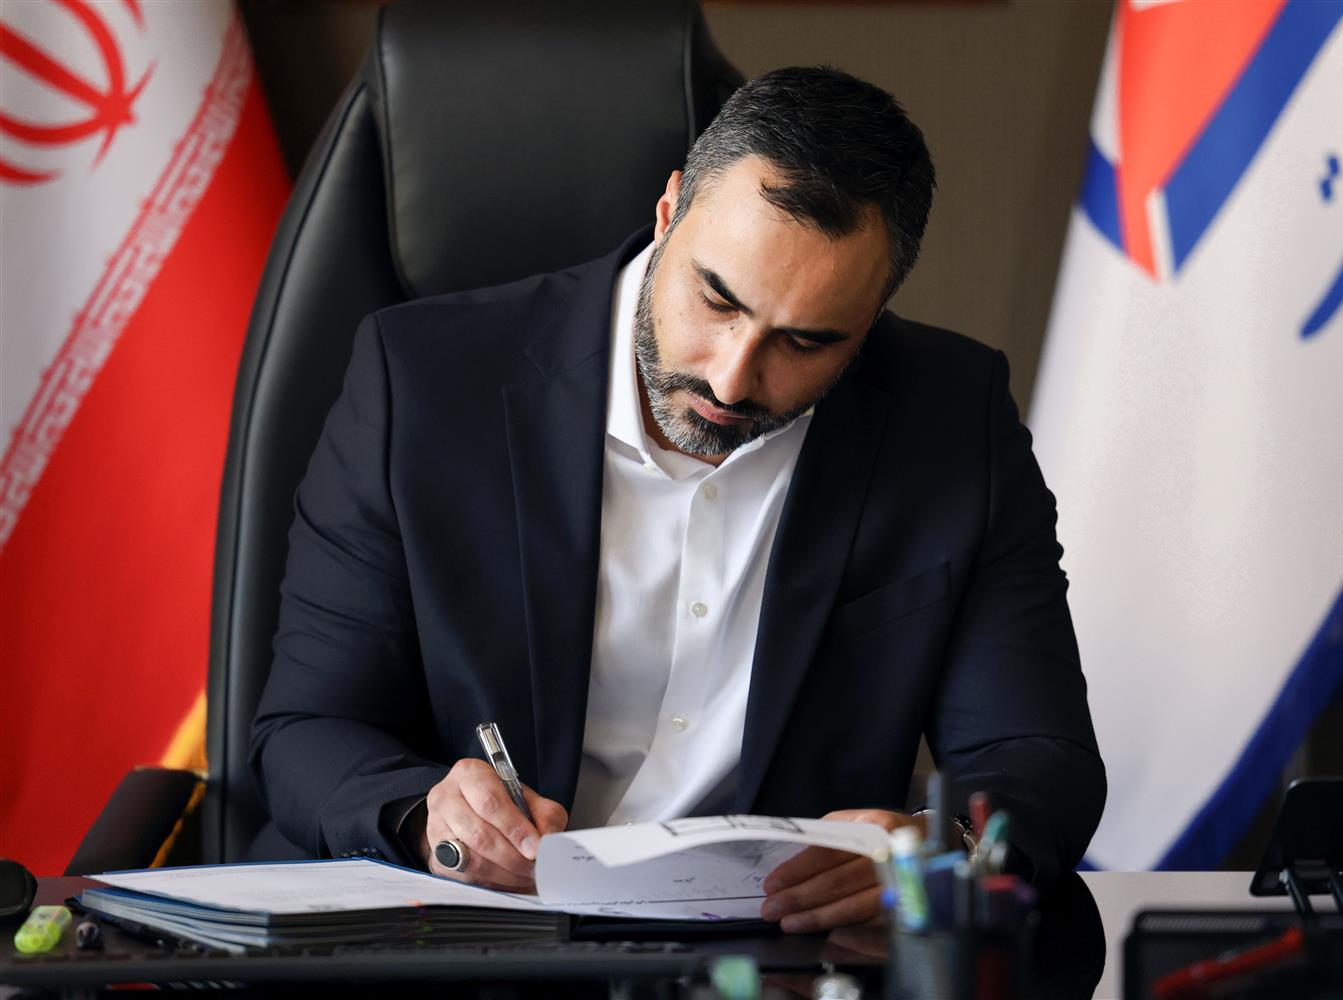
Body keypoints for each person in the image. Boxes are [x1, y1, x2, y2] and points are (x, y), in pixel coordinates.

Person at [250, 66, 1104, 935]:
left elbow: (1042, 759)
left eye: (806, 341)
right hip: (475, 938)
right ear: (669, 212)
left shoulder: (953, 422)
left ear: (874, 314)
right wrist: (423, 813)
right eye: (717, 299)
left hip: (774, 957)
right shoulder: (420, 381)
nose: (732, 379)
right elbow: (305, 730)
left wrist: (946, 847)